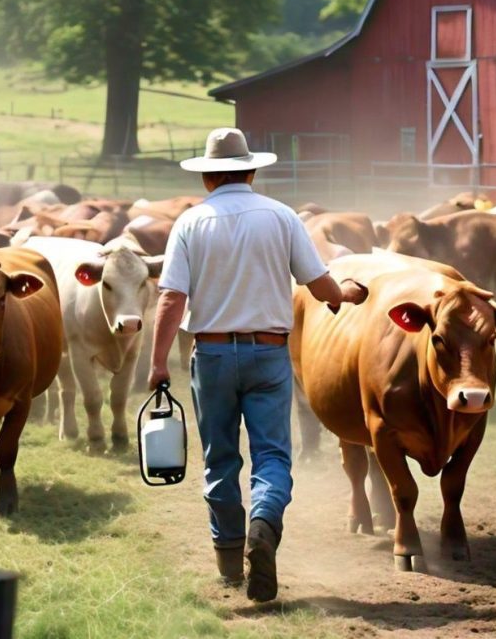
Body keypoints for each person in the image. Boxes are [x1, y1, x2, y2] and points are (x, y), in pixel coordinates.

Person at [147, 127, 367, 603]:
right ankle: (263, 524)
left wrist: (158, 362)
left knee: (220, 458)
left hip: (212, 354)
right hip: (269, 352)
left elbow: (171, 298)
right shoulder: (282, 217)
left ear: (209, 178)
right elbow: (318, 282)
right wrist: (344, 294)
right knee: (272, 456)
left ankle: (229, 561)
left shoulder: (190, 222)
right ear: (251, 170)